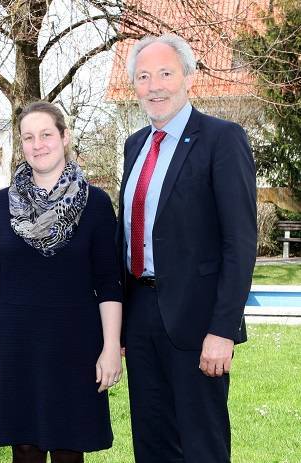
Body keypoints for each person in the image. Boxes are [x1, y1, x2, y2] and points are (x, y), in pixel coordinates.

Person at [118, 34, 257, 463]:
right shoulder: (135, 145)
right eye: (143, 76)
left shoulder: (222, 138)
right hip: (141, 313)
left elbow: (240, 242)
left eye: (165, 73)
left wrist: (223, 330)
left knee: (202, 442)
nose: (154, 85)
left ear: (188, 78)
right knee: (151, 438)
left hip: (198, 322)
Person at [0, 101, 122, 463]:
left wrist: (112, 346)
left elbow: (109, 283)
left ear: (65, 137)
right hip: (15, 345)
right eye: (28, 137)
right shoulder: (0, 206)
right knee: (23, 447)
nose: (38, 144)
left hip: (75, 345)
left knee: (70, 448)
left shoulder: (96, 204)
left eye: (46, 135)